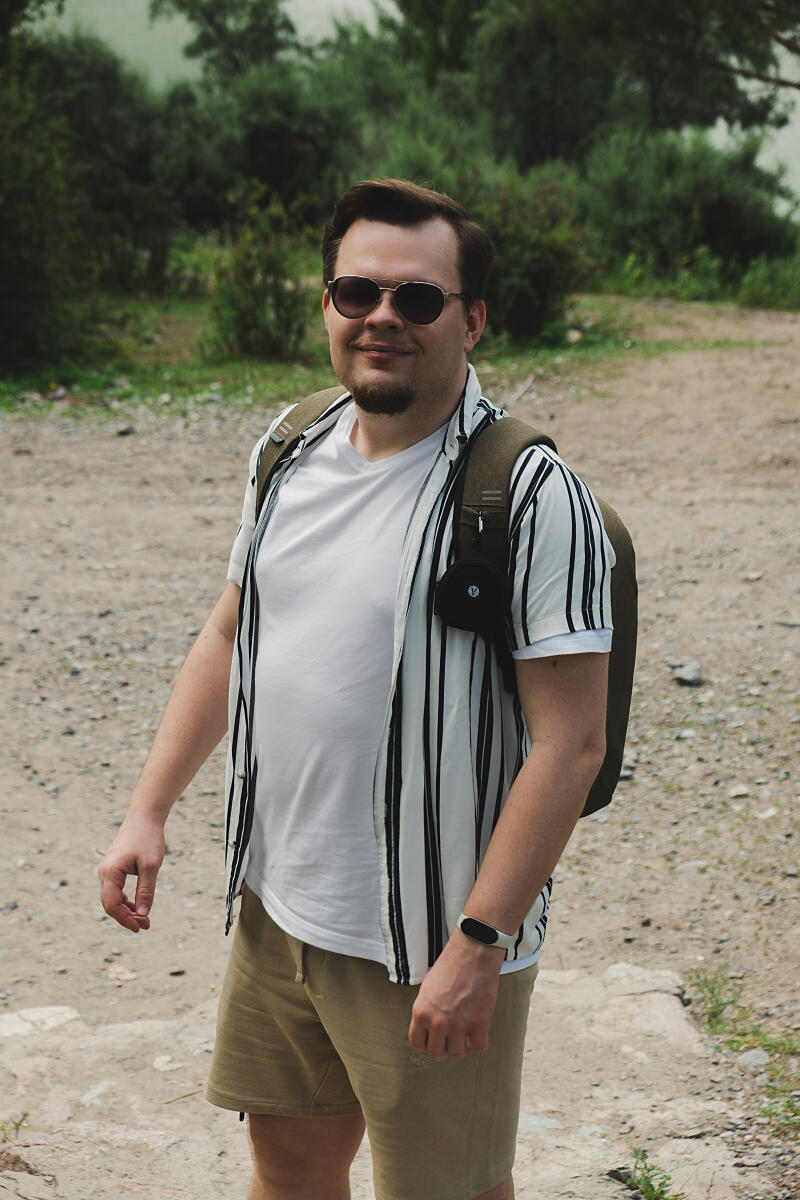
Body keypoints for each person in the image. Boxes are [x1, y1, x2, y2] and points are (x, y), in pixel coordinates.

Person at [98, 178, 612, 1200]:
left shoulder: (529, 494)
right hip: (280, 905)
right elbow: (229, 630)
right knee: (288, 1166)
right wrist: (147, 809)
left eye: (416, 300)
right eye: (356, 292)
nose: (383, 318)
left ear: (470, 319)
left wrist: (478, 943)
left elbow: (570, 745)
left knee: (446, 1187)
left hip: (431, 934)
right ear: (326, 304)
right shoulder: (289, 447)